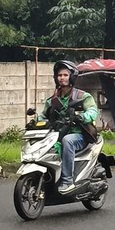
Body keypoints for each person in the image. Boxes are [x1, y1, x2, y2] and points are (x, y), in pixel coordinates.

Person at [40, 60, 99, 194]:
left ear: (71, 76)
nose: (62, 78)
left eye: (65, 75)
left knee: (68, 140)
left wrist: (83, 116)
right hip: (57, 134)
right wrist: (35, 122)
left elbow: (93, 111)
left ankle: (67, 181)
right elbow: (43, 115)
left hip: (80, 135)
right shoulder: (52, 100)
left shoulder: (82, 96)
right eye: (59, 75)